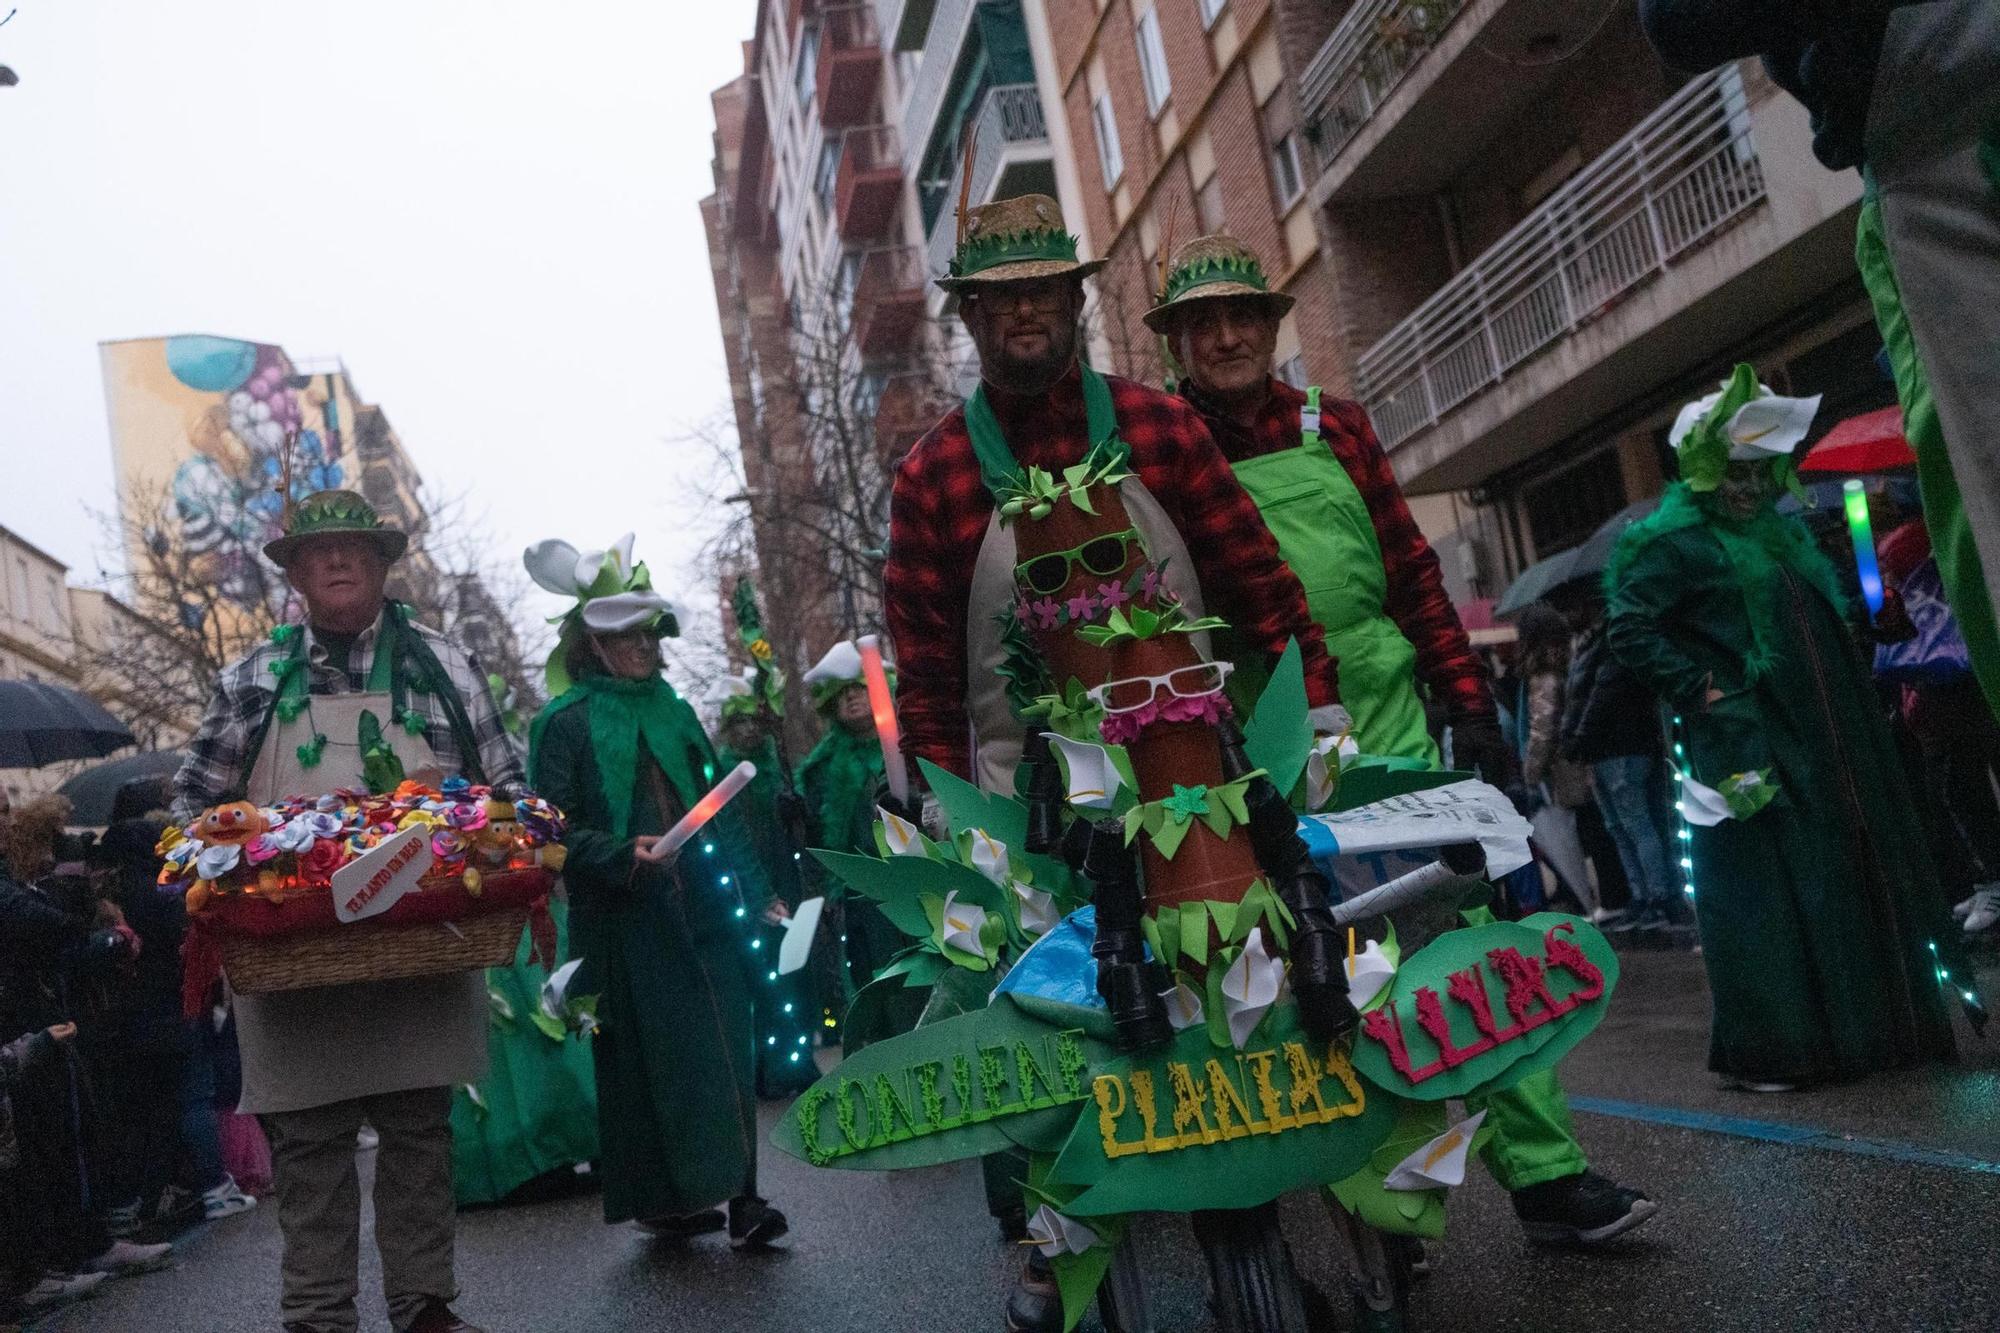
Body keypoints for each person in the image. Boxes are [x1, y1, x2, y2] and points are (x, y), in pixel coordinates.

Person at [1153, 232, 1656, 1250]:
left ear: (1269, 326)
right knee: (1318, 970)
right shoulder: (1169, 451)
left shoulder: (1333, 425)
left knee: (1464, 939)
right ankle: (1378, 1208)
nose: (1225, 336)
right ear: (1177, 343)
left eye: (1241, 315)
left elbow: (1410, 570)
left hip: (1389, 721)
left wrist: (1466, 698)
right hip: (1265, 743)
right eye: (1202, 323)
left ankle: (1545, 1174)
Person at [175, 489, 521, 1333]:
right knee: (309, 1144)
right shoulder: (250, 679)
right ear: (293, 574)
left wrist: (472, 828)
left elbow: (509, 790)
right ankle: (319, 1315)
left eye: (354, 549)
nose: (336, 562)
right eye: (317, 551)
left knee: (417, 1133)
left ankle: (426, 1307)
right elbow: (192, 806)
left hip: (424, 941)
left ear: (381, 564)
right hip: (292, 960)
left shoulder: (443, 663)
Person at [883, 195, 1351, 800]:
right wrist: (935, 795)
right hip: (1030, 807)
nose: (1025, 310)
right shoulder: (931, 476)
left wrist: (1316, 707)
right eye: (1002, 296)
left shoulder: (1163, 427)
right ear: (971, 315)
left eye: (1044, 290)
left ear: (1076, 302)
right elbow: (929, 673)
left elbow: (1262, 587)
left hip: (1194, 783)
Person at [1605, 368, 1973, 1090]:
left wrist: (1877, 614)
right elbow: (1629, 626)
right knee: (1767, 890)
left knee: (1842, 876)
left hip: (1835, 746)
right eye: (1732, 473)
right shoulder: (1673, 544)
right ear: (1705, 472)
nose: (1746, 487)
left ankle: (1877, 1031)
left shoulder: (1786, 540)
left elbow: (1827, 629)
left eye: (1759, 471)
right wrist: (1704, 690)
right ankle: (1779, 1047)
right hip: (1751, 744)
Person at [1639, 0, 2000, 727]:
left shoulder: (1800, 532)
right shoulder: (1677, 552)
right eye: (1742, 459)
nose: (1756, 474)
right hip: (1768, 736)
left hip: (1845, 729)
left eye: (1761, 456)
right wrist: (1706, 689)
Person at [523, 537, 788, 1249]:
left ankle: (744, 1198)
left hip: (704, 907)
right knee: (648, 1068)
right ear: (590, 640)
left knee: (726, 1047)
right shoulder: (563, 722)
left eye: (647, 630)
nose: (640, 643)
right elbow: (546, 830)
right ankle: (665, 1200)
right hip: (623, 923)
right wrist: (618, 854)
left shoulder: (676, 709)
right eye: (621, 631)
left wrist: (760, 890)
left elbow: (718, 804)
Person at [0, 796, 170, 1310]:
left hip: (40, 1017)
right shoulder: (19, 887)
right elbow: (36, 922)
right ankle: (41, 1267)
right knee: (35, 1148)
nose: (6, 823)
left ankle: (78, 1246)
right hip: (22, 1024)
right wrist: (85, 923)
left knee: (61, 1137)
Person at [712, 673, 820, 1097]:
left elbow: (792, 834)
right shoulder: (725, 777)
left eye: (753, 721)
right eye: (738, 723)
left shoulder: (773, 770)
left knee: (794, 974)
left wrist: (796, 813)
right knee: (767, 981)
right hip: (750, 895)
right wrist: (760, 895)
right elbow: (734, 839)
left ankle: (796, 1062)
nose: (749, 730)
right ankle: (773, 1070)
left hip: (785, 883)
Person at [1562, 595, 1686, 931]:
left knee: (1634, 825)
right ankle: (1646, 897)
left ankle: (1656, 897)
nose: (1568, 613)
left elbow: (1601, 694)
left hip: (1619, 748)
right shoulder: (1599, 642)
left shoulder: (1610, 641)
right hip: (1611, 749)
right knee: (1625, 827)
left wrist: (1577, 736)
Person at [1515, 604, 1598, 916]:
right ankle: (1580, 893)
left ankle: (1579, 895)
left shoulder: (1542, 676)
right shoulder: (1567, 666)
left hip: (1557, 773)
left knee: (1565, 838)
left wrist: (1530, 774)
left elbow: (1542, 729)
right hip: (1572, 765)